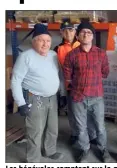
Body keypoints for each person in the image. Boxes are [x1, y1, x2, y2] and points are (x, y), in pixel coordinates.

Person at [11, 23, 64, 163]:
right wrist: (21, 103)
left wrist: (62, 93)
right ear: (34, 41)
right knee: (35, 130)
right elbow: (16, 81)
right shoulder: (25, 57)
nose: (45, 44)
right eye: (41, 40)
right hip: (34, 98)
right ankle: (33, 159)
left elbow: (60, 75)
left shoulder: (53, 55)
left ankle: (49, 151)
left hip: (52, 98)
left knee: (52, 128)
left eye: (48, 41)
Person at [63, 21, 111, 163]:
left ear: (92, 37)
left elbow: (105, 72)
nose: (86, 34)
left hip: (97, 96)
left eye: (89, 32)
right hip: (78, 97)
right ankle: (85, 148)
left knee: (100, 127)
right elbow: (67, 75)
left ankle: (103, 149)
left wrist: (92, 80)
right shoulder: (71, 55)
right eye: (83, 32)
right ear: (78, 36)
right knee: (81, 127)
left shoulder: (101, 54)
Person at [54, 20, 97, 146]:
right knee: (73, 113)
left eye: (71, 29)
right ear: (61, 32)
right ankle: (75, 133)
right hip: (69, 87)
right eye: (65, 30)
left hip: (85, 85)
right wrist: (61, 92)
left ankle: (92, 135)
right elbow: (59, 71)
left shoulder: (83, 43)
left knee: (89, 112)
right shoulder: (58, 49)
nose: (69, 32)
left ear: (75, 31)